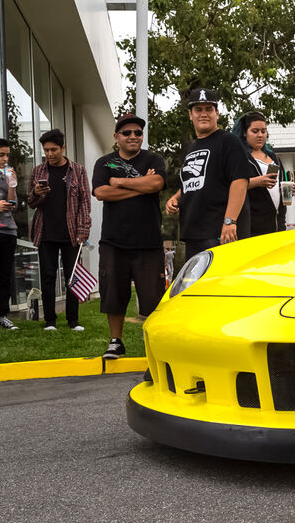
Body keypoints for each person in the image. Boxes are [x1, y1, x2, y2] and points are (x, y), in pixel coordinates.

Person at [91, 114, 167, 358]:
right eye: (127, 133)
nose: (133, 136)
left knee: (153, 297)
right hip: (114, 241)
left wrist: (120, 182)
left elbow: (156, 184)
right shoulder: (104, 163)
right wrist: (139, 186)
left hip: (149, 241)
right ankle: (116, 341)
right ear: (116, 137)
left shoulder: (153, 158)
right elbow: (102, 192)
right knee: (113, 293)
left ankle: (154, 345)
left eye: (137, 133)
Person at [166, 88, 252, 260]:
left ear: (217, 114)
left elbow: (240, 181)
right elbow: (195, 181)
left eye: (208, 109)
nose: (203, 114)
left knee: (224, 285)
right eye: (198, 110)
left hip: (220, 232)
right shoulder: (192, 147)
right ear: (190, 115)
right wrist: (175, 197)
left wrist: (230, 221)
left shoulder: (228, 141)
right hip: (194, 233)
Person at [26, 129, 91, 331]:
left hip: (72, 233)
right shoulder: (38, 171)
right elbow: (30, 202)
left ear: (63, 147)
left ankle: (73, 321)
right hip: (45, 233)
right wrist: (37, 193)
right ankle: (50, 321)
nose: (50, 154)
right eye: (46, 150)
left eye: (54, 149)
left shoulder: (78, 170)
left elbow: (85, 202)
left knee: (72, 277)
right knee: (48, 276)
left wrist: (83, 229)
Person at [234, 111, 287, 236]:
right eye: (255, 131)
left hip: (278, 226)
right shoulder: (240, 157)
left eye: (263, 131)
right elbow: (231, 185)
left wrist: (288, 189)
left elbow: (282, 182)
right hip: (253, 228)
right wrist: (258, 181)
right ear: (244, 132)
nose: (260, 135)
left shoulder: (274, 157)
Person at [0, 138, 18, 330]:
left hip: (8, 231)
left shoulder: (7, 174)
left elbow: (14, 206)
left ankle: (2, 315)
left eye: (7, 155)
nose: (5, 159)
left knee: (5, 275)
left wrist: (11, 185)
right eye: (1, 155)